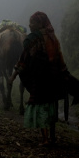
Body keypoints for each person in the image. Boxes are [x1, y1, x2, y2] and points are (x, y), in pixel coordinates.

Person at [9, 11, 69, 146]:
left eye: (32, 23)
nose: (29, 25)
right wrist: (64, 73)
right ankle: (52, 137)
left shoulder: (32, 39)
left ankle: (45, 139)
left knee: (41, 106)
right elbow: (59, 57)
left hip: (40, 78)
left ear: (39, 24)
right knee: (51, 105)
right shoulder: (53, 38)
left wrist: (13, 76)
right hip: (53, 77)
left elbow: (24, 58)